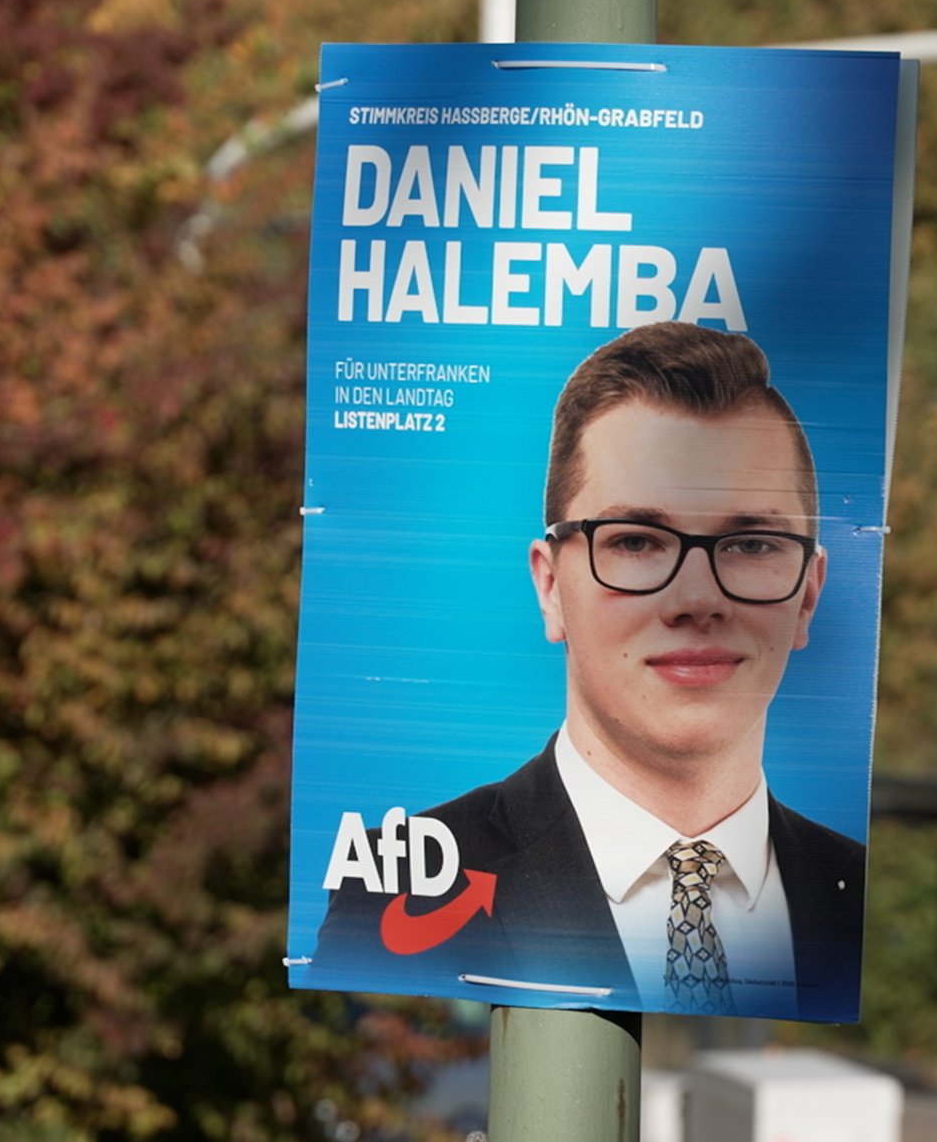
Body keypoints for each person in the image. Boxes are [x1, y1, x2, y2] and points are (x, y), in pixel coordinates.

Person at [311, 322, 866, 1022]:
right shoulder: (399, 887)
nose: (697, 599)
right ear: (550, 587)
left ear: (808, 594)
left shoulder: (861, 892)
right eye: (635, 540)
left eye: (752, 542)